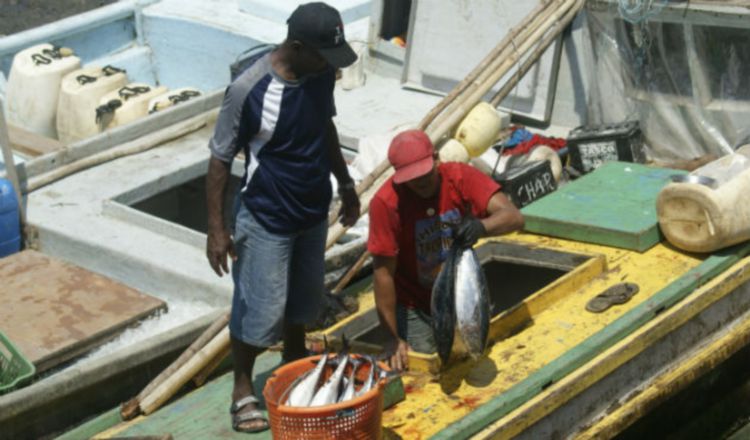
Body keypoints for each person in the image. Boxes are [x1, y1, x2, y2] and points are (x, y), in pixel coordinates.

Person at [205, 2, 360, 433]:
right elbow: (219, 160)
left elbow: (324, 127)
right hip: (266, 215)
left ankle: (296, 363)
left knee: (304, 302)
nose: (330, 65)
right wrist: (217, 230)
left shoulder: (321, 73)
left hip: (313, 211)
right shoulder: (247, 89)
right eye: (323, 55)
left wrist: (346, 185)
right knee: (259, 311)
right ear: (296, 47)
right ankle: (241, 389)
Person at [367, 129, 524, 371]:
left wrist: (481, 227)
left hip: (461, 293)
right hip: (414, 305)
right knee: (432, 369)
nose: (420, 182)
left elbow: (513, 217)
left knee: (472, 356)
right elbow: (383, 273)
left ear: (437, 159)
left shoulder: (460, 177)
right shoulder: (385, 203)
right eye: (412, 178)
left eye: (425, 174)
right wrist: (391, 337)